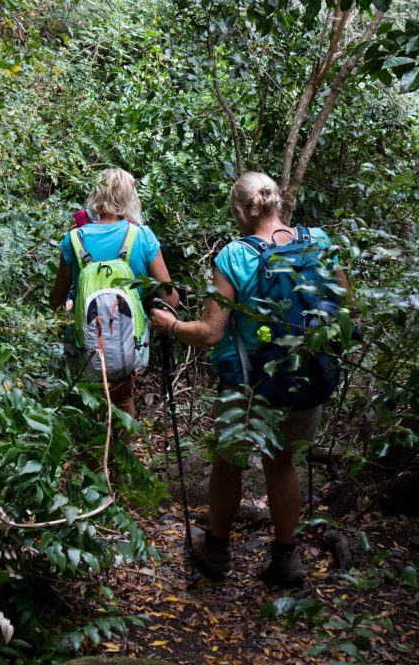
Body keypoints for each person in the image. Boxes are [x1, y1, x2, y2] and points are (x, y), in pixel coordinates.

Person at [150, 171, 348, 586]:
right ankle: (285, 559)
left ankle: (217, 550)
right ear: (278, 202)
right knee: (282, 463)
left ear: (240, 210)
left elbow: (210, 333)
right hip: (305, 376)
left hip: (249, 386)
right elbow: (345, 308)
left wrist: (170, 326)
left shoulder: (234, 256)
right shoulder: (319, 242)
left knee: (229, 463)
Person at [50, 168, 179, 419]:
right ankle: (121, 455)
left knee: (87, 401)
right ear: (130, 197)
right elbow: (170, 297)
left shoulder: (74, 239)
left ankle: (95, 451)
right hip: (131, 344)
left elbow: (56, 300)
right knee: (123, 397)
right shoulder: (141, 236)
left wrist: (69, 304)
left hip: (85, 346)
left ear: (96, 195)